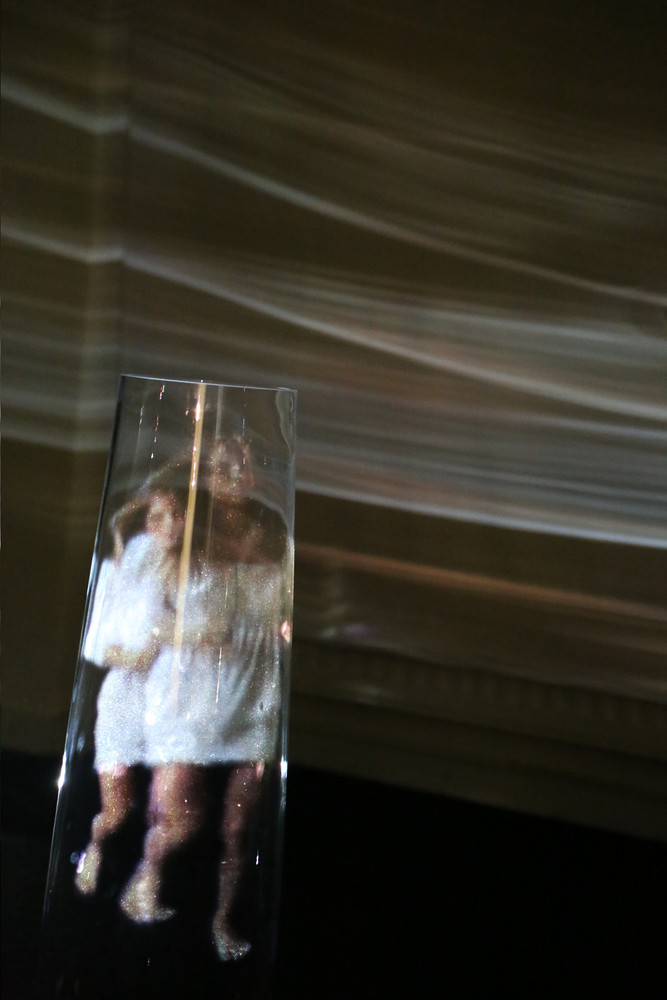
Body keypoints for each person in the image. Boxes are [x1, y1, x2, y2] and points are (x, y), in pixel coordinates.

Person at [74, 488, 186, 900]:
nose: (171, 525)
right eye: (160, 516)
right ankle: (95, 846)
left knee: (171, 809)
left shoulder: (186, 575)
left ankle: (145, 885)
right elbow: (103, 646)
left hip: (165, 702)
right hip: (123, 698)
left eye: (177, 515)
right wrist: (138, 653)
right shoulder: (124, 572)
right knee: (116, 812)